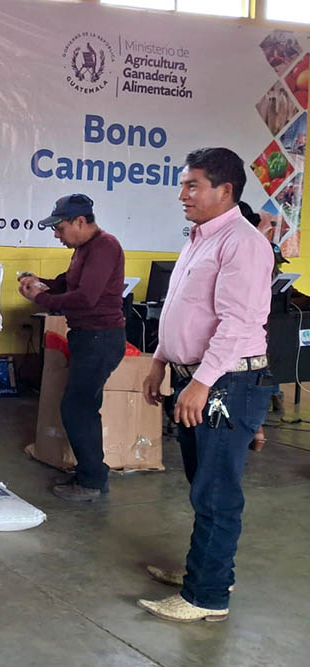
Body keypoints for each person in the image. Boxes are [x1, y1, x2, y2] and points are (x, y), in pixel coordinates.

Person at [138, 147, 273, 623]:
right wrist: (159, 362)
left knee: (216, 492)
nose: (183, 195)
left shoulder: (243, 243)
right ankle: (210, 571)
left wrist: (201, 382)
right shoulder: (200, 237)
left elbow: (236, 324)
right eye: (183, 185)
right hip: (200, 377)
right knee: (204, 484)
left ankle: (207, 597)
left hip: (228, 383)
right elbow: (179, 307)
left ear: (225, 190)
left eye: (192, 185)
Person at [19, 193, 126, 503]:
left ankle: (92, 480)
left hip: (101, 338)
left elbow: (85, 298)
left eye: (60, 228)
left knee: (77, 409)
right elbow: (67, 284)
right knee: (83, 407)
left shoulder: (104, 247)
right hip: (87, 337)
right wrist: (40, 282)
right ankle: (91, 472)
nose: (57, 235)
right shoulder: (83, 249)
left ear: (80, 221)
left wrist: (40, 298)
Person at [238, 200, 286, 450]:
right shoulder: (256, 245)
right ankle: (257, 431)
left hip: (247, 328)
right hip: (253, 328)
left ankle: (257, 430)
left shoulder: (250, 246)